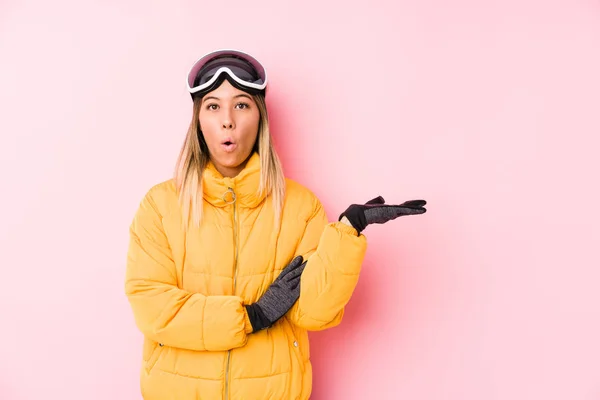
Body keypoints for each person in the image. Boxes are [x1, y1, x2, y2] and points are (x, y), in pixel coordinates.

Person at [125, 49, 427, 400]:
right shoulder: (161, 206)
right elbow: (152, 308)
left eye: (241, 105)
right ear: (198, 120)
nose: (227, 121)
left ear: (260, 117)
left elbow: (314, 312)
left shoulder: (299, 208)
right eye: (213, 106)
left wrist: (346, 232)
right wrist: (253, 316)